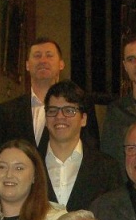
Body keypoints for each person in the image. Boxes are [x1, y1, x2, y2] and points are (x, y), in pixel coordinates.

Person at [0, 37, 103, 154]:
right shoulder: (6, 111)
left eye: (49, 55)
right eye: (37, 56)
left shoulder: (81, 105)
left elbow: (91, 152)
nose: (43, 60)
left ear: (61, 64)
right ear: (27, 65)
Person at [43, 80, 123, 211]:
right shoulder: (29, 164)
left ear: (83, 119)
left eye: (69, 110)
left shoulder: (107, 168)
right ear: (46, 119)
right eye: (53, 110)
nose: (59, 116)